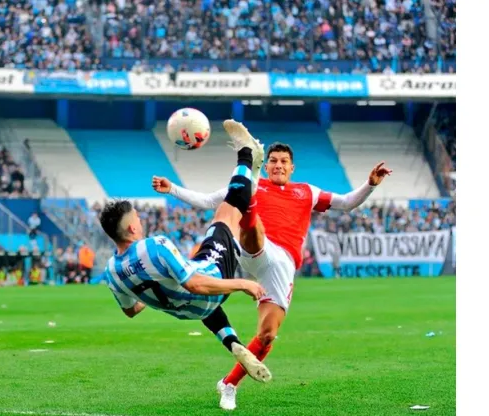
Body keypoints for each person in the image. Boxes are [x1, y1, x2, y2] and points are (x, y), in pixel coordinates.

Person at [152, 120, 392, 410]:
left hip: (282, 264)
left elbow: (346, 202)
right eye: (273, 161)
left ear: (292, 168)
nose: (278, 165)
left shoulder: (307, 192)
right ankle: (248, 203)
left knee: (266, 335)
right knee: (249, 225)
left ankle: (228, 385)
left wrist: (370, 184)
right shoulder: (253, 186)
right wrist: (173, 189)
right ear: (266, 167)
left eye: (284, 162)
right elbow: (207, 201)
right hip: (248, 245)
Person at [99, 132, 272, 383]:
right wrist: (243, 284)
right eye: (137, 217)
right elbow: (196, 284)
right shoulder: (155, 246)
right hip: (211, 281)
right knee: (228, 211)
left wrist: (158, 289)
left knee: (190, 292)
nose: (140, 220)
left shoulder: (112, 272)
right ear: (132, 229)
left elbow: (131, 310)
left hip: (190, 311)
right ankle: (246, 153)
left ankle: (233, 343)